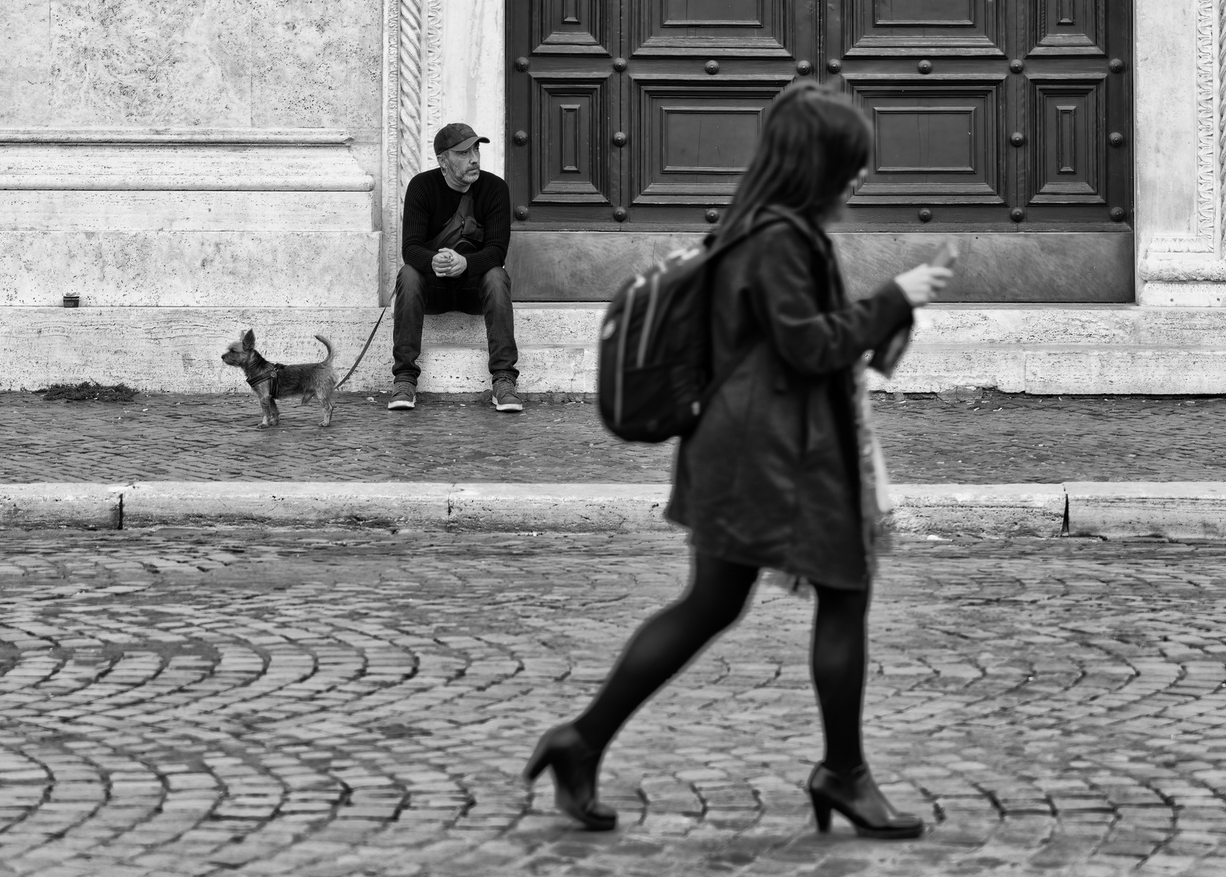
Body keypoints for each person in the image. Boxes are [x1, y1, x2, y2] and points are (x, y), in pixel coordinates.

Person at [522, 82, 952, 836]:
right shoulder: (779, 240)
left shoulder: (760, 231)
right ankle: (843, 774)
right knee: (839, 594)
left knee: (712, 602)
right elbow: (809, 344)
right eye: (850, 164)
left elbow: (801, 340)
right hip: (776, 460)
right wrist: (897, 295)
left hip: (751, 450)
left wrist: (889, 312)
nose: (859, 178)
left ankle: (581, 742)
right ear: (813, 164)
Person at [389, 122, 522, 412]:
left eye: (476, 148)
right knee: (408, 274)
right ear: (443, 161)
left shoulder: (495, 188)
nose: (474, 157)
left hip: (474, 291)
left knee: (497, 276)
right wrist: (433, 260)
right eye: (463, 152)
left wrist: (466, 263)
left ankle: (503, 379)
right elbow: (410, 249)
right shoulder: (422, 187)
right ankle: (405, 378)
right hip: (434, 291)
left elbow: (497, 251)